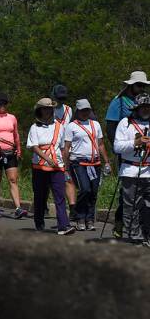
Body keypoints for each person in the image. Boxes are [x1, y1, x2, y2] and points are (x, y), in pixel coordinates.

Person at [105, 70, 149, 238]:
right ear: (131, 86)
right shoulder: (119, 102)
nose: (142, 88)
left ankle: (142, 231)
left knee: (141, 198)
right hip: (126, 150)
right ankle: (121, 224)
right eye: (139, 85)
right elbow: (110, 128)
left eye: (144, 85)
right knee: (128, 194)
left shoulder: (145, 102)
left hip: (145, 156)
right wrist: (123, 151)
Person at [27, 98, 75, 235]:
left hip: (57, 166)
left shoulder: (60, 127)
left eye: (50, 108)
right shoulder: (34, 127)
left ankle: (63, 226)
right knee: (40, 196)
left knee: (60, 195)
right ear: (40, 110)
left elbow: (62, 148)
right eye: (45, 108)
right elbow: (34, 147)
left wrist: (65, 167)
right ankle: (39, 221)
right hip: (39, 166)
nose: (48, 110)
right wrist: (47, 158)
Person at [63, 99, 111, 231]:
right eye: (82, 110)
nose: (85, 113)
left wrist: (106, 161)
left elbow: (101, 144)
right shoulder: (72, 126)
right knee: (85, 189)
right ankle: (79, 217)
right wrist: (66, 168)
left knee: (93, 192)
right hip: (79, 162)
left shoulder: (95, 124)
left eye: (87, 110)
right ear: (78, 111)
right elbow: (66, 148)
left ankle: (89, 219)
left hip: (95, 162)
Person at [113, 92, 150, 245]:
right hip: (130, 171)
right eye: (143, 107)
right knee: (131, 206)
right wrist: (136, 142)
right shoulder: (125, 123)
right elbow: (117, 147)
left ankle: (146, 234)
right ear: (137, 108)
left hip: (149, 171)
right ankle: (133, 235)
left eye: (148, 107)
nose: (146, 110)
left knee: (147, 206)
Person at [0, 92, 27, 219]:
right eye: (0, 103)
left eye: (5, 103)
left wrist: (18, 149)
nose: (2, 105)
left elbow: (16, 135)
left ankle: (18, 208)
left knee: (13, 179)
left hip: (10, 151)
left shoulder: (12, 118)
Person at [51, 84, 76, 219]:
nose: (60, 101)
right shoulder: (48, 109)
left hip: (66, 147)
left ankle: (72, 208)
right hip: (52, 147)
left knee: (68, 177)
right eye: (58, 98)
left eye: (62, 98)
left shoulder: (68, 110)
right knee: (51, 179)